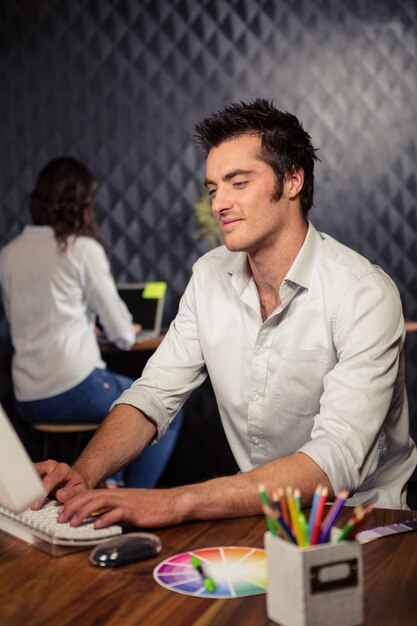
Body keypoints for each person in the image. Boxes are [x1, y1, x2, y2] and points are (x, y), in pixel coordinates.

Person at [33, 100, 416, 529]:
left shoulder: (363, 294)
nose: (219, 204)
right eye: (214, 188)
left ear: (293, 180)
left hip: (364, 519)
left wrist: (172, 502)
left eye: (238, 183)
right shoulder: (208, 275)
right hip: (262, 511)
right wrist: (81, 478)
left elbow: (336, 459)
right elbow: (154, 393)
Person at [0, 156, 182, 488]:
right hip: (72, 388)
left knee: (125, 413)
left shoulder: (9, 253)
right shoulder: (82, 249)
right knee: (165, 409)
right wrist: (128, 330)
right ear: (82, 202)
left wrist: (84, 325)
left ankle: (112, 484)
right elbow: (124, 335)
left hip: (25, 398)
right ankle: (130, 500)